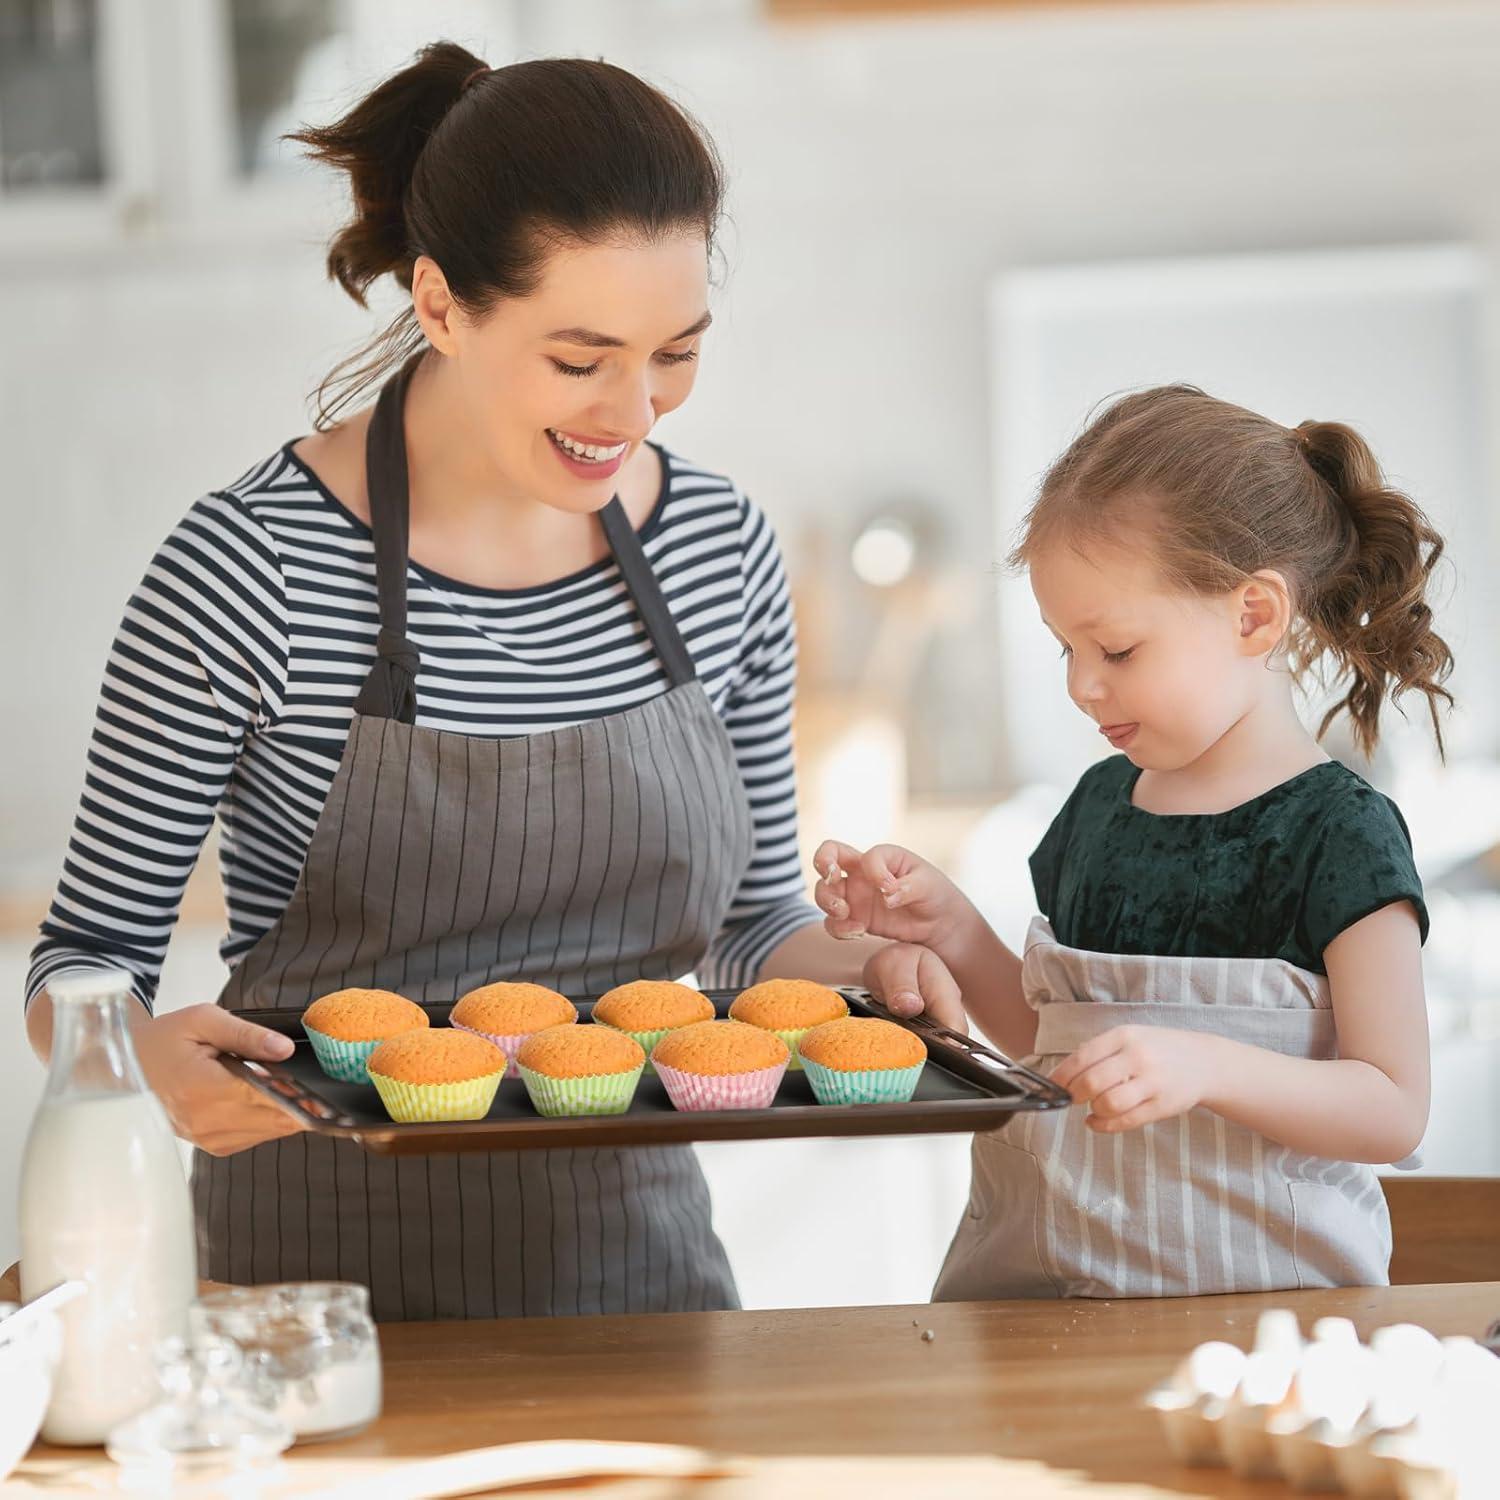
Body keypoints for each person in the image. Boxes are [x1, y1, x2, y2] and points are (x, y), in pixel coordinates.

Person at [25, 43, 891, 1321]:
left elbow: (759, 928)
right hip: (308, 1297)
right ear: (439, 306)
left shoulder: (720, 551)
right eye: (579, 357)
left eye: (675, 354)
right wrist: (133, 1060)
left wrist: (882, 961)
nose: (635, 410)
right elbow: (86, 960)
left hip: (639, 1282)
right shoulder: (244, 571)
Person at [814, 384, 1447, 1298]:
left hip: (1260, 1333)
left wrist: (1208, 1065)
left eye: (1115, 651)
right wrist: (946, 927)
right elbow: (1050, 1040)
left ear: (1254, 616)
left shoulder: (1337, 834)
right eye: (1063, 648)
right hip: (1043, 1312)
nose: (1081, 685)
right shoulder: (1100, 807)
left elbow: (1392, 1108)